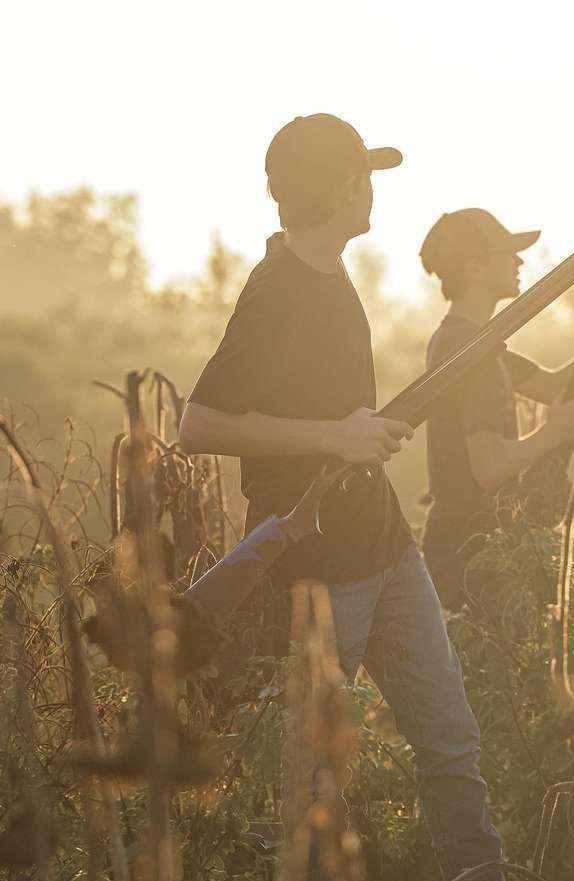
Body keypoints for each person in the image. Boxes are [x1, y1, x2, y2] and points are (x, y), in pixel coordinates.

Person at [179, 114, 503, 880]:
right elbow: (198, 424)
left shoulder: (324, 268)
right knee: (317, 779)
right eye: (362, 176)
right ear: (341, 188)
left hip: (387, 546)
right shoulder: (277, 291)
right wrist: (337, 437)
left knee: (452, 741)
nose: (370, 190)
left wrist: (361, 434)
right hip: (322, 572)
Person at [418, 208, 574, 609]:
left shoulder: (472, 343)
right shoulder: (468, 352)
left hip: (475, 545)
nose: (519, 261)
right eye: (508, 253)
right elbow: (489, 466)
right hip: (470, 554)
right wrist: (555, 432)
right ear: (477, 267)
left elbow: (556, 386)